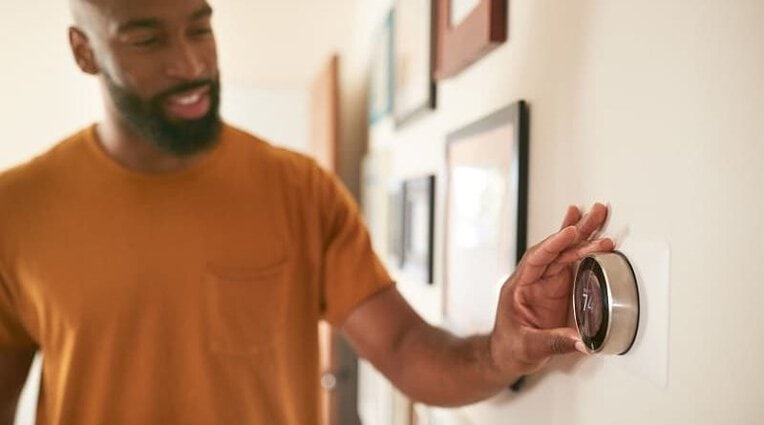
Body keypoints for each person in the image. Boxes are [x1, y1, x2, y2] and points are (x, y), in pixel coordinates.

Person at [0, 0, 614, 423]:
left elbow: (405, 348)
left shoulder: (299, 188)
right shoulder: (16, 210)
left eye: (200, 27)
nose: (191, 64)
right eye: (147, 40)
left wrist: (502, 349)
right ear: (84, 50)